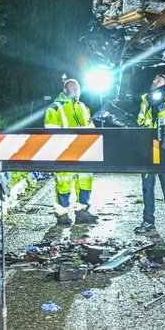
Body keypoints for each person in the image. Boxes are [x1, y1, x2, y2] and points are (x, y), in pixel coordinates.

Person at [44, 78, 98, 225]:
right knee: (63, 184)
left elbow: (90, 127)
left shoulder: (83, 107)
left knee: (85, 182)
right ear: (65, 91)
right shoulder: (55, 108)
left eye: (78, 88)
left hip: (83, 153)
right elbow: (51, 132)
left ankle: (82, 212)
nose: (76, 90)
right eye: (73, 88)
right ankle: (62, 214)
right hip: (64, 153)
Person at [134, 74, 165, 235]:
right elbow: (140, 122)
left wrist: (160, 110)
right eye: (153, 80)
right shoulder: (145, 102)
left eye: (159, 81)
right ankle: (148, 221)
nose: (154, 82)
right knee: (147, 188)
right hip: (148, 149)